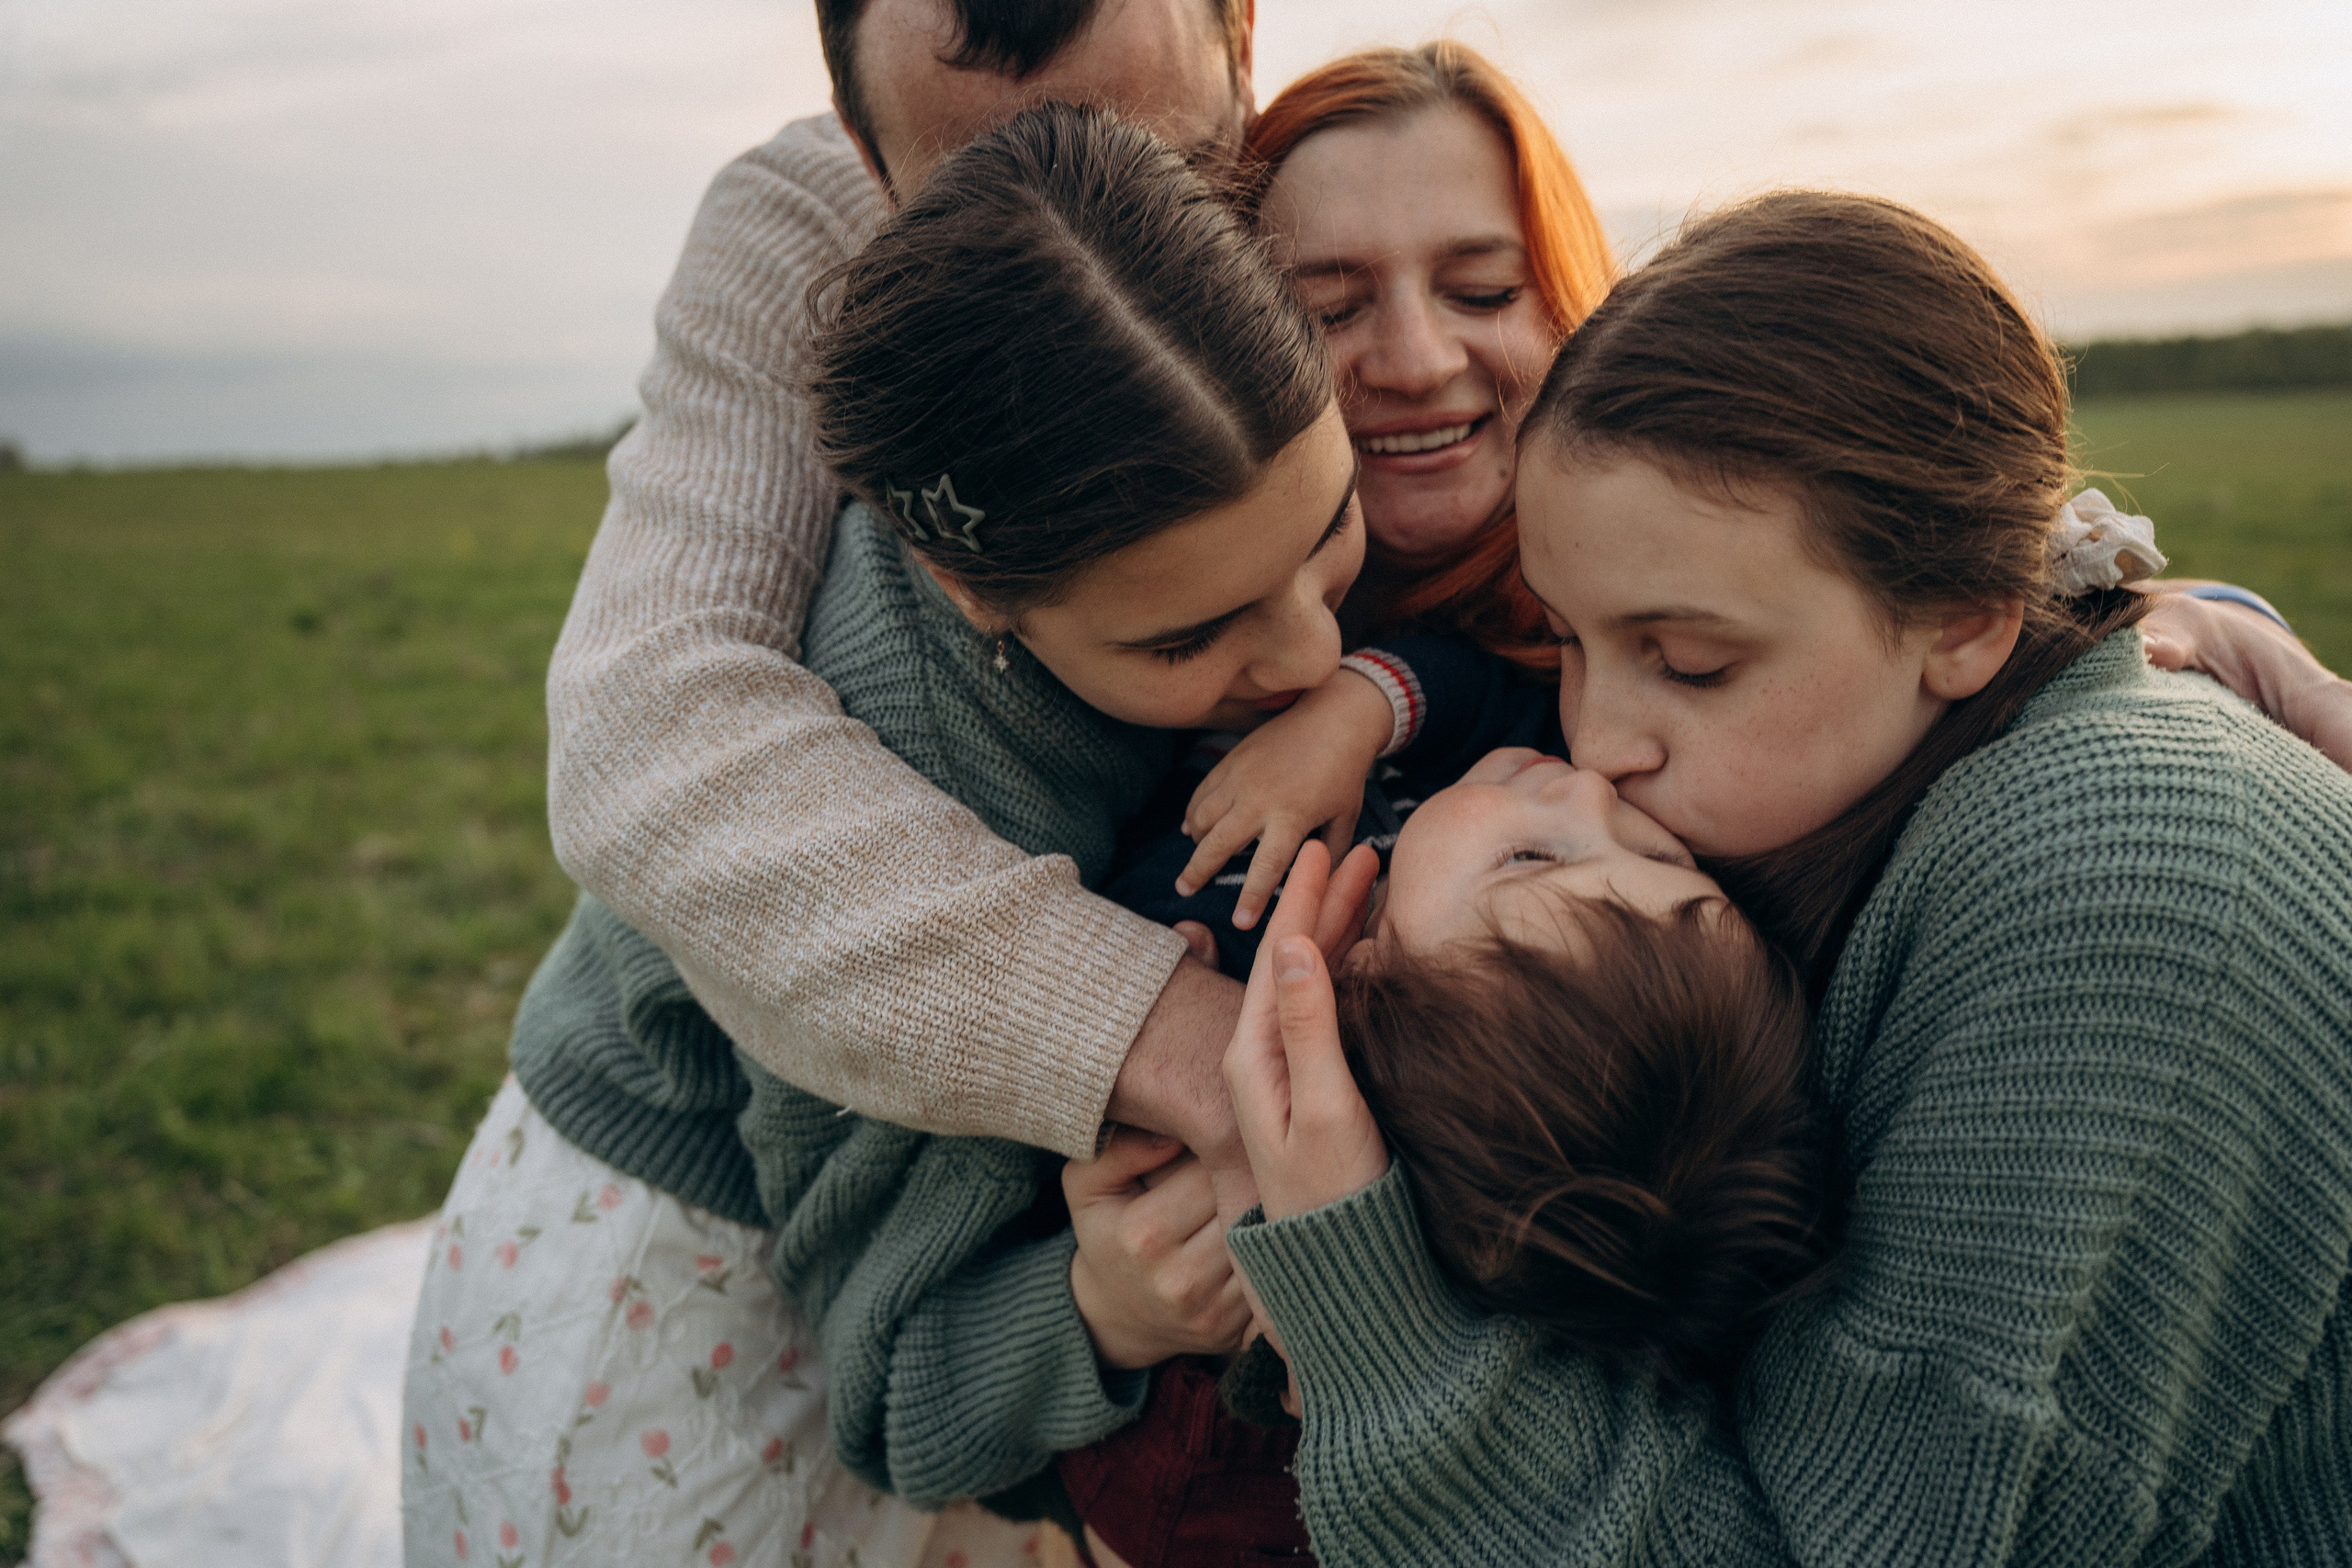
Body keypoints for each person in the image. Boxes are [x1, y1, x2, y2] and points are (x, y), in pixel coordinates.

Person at [1217, 190, 2352, 1566]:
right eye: (1566, 640)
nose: (1597, 745)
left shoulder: (2119, 891)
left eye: (1690, 663)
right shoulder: (1875, 789)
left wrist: (1383, 1323)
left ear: (1967, 616)